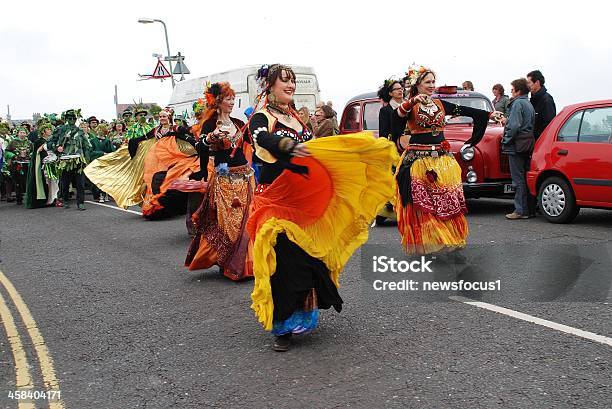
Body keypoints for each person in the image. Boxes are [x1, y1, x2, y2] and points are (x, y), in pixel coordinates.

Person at [247, 64, 398, 351]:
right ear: (270, 86)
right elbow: (261, 139)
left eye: (292, 82)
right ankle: (282, 327)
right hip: (275, 199)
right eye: (284, 82)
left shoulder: (296, 119)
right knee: (282, 259)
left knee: (308, 255)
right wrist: (286, 145)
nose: (290, 86)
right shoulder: (261, 117)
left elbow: (315, 149)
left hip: (305, 198)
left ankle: (301, 314)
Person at [393, 65, 501, 255]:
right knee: (424, 203)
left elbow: (464, 109)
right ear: (418, 85)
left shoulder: (441, 105)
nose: (432, 85)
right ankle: (430, 240)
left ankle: (446, 237)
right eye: (428, 82)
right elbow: (398, 115)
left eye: (433, 82)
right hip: (419, 161)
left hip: (443, 160)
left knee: (445, 199)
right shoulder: (410, 105)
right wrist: (411, 102)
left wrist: (489, 114)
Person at [184, 82, 255, 280]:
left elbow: (253, 142)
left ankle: (246, 263)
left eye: (233, 98)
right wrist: (209, 139)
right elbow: (201, 147)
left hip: (245, 178)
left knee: (246, 221)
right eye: (228, 99)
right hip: (225, 180)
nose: (232, 102)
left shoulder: (239, 123)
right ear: (218, 101)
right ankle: (228, 263)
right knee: (229, 224)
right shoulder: (210, 124)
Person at [501, 78, 536, 220]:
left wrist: (506, 139)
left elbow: (514, 126)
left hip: (516, 145)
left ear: (518, 90)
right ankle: (529, 209)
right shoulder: (528, 104)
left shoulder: (517, 104)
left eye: (512, 89)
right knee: (526, 177)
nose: (511, 92)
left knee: (518, 179)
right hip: (527, 143)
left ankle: (520, 210)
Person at [48, 109, 91, 210]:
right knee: (65, 183)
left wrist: (86, 159)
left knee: (80, 183)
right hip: (65, 160)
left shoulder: (80, 131)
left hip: (78, 160)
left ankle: (80, 203)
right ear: (66, 119)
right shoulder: (60, 130)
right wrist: (57, 148)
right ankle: (65, 200)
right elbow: (50, 143)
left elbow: (86, 146)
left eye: (73, 118)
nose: (72, 120)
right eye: (69, 118)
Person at [24, 122, 57, 208]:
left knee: (51, 182)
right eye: (48, 129)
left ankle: (51, 199)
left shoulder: (49, 141)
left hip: (49, 163)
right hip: (42, 165)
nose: (50, 131)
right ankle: (42, 201)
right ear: (43, 131)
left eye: (50, 129)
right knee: (43, 181)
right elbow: (38, 153)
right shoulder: (39, 141)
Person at [378, 79, 408, 152]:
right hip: (395, 148)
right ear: (391, 93)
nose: (400, 90)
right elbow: (383, 134)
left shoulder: (408, 106)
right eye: (397, 89)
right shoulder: (385, 110)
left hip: (410, 145)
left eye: (401, 88)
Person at [89, 122, 116, 202]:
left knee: (105, 178)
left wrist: (108, 154)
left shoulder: (107, 141)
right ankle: (99, 195)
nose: (100, 131)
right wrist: (102, 153)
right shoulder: (92, 141)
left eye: (102, 129)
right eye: (99, 129)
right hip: (96, 162)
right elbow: (91, 152)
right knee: (98, 179)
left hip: (105, 162)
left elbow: (112, 151)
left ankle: (105, 194)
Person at [6, 127, 33, 205]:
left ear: (26, 134)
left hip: (27, 164)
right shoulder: (13, 142)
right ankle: (19, 198)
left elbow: (33, 151)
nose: (22, 134)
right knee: (17, 181)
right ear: (18, 133)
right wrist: (13, 155)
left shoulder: (29, 142)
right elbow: (7, 152)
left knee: (27, 181)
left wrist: (30, 154)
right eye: (21, 132)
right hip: (16, 164)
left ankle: (28, 197)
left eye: (24, 133)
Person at [526, 70, 556, 139]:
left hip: (541, 142)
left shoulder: (547, 100)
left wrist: (536, 138)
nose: (527, 86)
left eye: (529, 83)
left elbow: (548, 125)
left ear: (537, 82)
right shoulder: (532, 100)